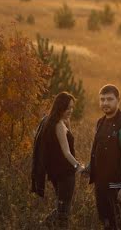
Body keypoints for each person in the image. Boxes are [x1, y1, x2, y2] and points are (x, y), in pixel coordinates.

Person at [31, 92, 86, 227]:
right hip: (65, 173)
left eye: (72, 108)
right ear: (60, 108)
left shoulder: (49, 120)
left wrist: (67, 121)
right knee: (64, 210)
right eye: (67, 108)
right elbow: (66, 152)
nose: (71, 111)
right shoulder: (58, 125)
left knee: (62, 204)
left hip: (55, 173)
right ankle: (44, 224)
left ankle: (46, 224)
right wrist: (78, 167)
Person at [88, 84, 121, 230]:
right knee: (106, 223)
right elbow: (98, 150)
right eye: (102, 99)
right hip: (101, 184)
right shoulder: (100, 122)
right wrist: (90, 168)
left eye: (109, 99)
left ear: (118, 100)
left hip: (117, 186)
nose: (105, 103)